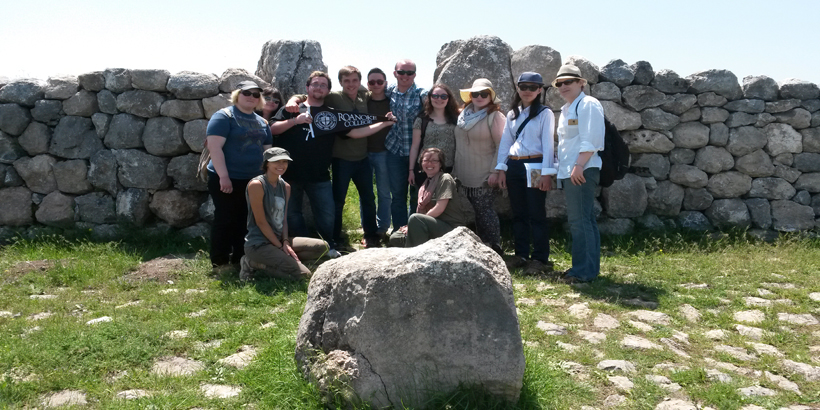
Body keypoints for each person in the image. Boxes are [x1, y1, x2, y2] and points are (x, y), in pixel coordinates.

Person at [270, 71, 395, 258]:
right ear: (307, 87)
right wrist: (295, 121)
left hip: (319, 174)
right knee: (293, 214)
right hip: (290, 173)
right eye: (315, 84)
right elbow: (272, 129)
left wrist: (384, 123)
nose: (318, 87)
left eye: (322, 85)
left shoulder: (331, 115)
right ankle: (305, 247)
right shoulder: (292, 109)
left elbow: (354, 133)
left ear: (328, 90)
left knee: (327, 214)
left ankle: (328, 245)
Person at [494, 72, 556, 275]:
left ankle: (539, 258)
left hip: (536, 164)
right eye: (523, 87)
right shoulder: (512, 113)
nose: (527, 91)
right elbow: (506, 143)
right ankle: (521, 254)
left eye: (532, 87)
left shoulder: (545, 113)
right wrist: (501, 168)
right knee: (518, 211)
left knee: (536, 212)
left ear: (539, 90)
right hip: (515, 165)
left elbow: (548, 145)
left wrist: (547, 173)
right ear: (518, 88)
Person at [205, 80, 272, 269]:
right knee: (225, 218)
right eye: (247, 93)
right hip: (227, 177)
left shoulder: (262, 122)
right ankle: (220, 261)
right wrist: (224, 177)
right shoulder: (223, 117)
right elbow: (215, 148)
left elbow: (268, 151)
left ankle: (240, 259)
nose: (251, 97)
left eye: (256, 94)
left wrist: (267, 177)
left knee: (245, 220)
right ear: (237, 94)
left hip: (252, 180)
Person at [240, 147, 329, 281]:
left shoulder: (285, 186)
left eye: (284, 162)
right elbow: (261, 222)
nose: (281, 165)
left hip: (279, 239)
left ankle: (287, 262)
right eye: (276, 161)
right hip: (258, 244)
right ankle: (253, 263)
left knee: (323, 247)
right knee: (305, 276)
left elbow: (284, 219)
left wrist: (286, 242)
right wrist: (280, 246)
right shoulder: (257, 185)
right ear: (267, 163)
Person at [552, 64, 605, 284]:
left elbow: (591, 138)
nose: (563, 86)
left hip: (581, 169)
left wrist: (579, 165)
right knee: (584, 219)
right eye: (559, 83)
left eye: (568, 82)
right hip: (572, 169)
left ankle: (583, 271)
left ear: (581, 82)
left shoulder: (588, 104)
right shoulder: (567, 109)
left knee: (579, 220)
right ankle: (587, 267)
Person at [454, 78, 506, 255]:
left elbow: (502, 146)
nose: (479, 97)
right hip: (463, 173)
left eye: (484, 94)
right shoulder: (462, 115)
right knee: (476, 212)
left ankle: (495, 248)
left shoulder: (495, 116)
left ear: (491, 96)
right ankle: (483, 248)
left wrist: (495, 171)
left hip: (484, 174)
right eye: (475, 93)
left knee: (485, 211)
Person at [389, 148, 469, 247]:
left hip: (451, 227)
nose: (429, 164)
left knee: (415, 219)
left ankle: (417, 255)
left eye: (434, 160)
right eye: (426, 160)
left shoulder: (445, 178)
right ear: (421, 164)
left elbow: (439, 208)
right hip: (432, 224)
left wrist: (415, 223)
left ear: (441, 164)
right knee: (395, 238)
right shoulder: (425, 185)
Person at [384, 59, 428, 232]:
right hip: (395, 150)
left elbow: (443, 102)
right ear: (395, 73)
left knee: (416, 195)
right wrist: (300, 98)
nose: (405, 76)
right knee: (397, 195)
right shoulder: (388, 92)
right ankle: (398, 232)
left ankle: (414, 231)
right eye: (401, 72)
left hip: (417, 152)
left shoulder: (422, 94)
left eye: (409, 73)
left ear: (414, 75)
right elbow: (364, 93)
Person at [408, 83, 458, 189]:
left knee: (446, 203)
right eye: (435, 96)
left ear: (449, 99)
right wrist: (411, 170)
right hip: (426, 168)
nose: (439, 99)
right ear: (430, 97)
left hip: (448, 169)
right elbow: (415, 146)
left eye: (443, 96)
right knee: (425, 201)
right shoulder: (421, 120)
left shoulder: (456, 119)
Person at [365, 68, 394, 241]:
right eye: (372, 82)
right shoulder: (362, 100)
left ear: (385, 83)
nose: (376, 85)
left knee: (384, 192)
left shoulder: (393, 100)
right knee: (366, 194)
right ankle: (368, 229)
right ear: (367, 84)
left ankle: (382, 228)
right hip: (363, 151)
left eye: (379, 82)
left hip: (384, 152)